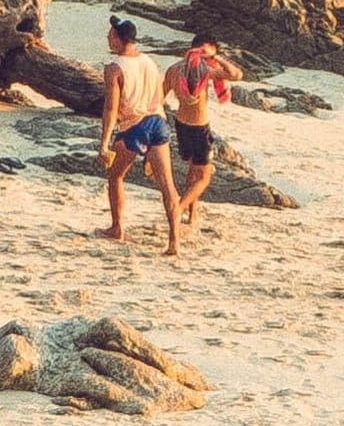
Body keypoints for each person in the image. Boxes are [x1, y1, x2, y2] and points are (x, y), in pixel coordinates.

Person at [97, 16, 180, 257]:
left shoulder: (114, 68)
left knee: (115, 176)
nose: (107, 38)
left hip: (134, 126)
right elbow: (160, 93)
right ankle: (174, 242)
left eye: (110, 34)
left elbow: (111, 108)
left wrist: (104, 143)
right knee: (167, 186)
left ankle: (117, 227)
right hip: (158, 122)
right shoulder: (149, 61)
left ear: (117, 39)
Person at [164, 32, 243, 235]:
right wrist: (215, 58)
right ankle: (179, 209)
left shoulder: (174, 69)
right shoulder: (205, 71)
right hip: (199, 127)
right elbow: (236, 75)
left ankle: (193, 214)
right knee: (204, 177)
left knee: (193, 170)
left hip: (180, 124)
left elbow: (159, 96)